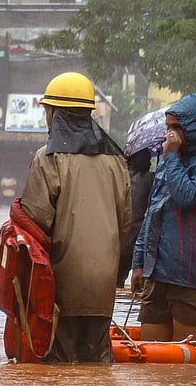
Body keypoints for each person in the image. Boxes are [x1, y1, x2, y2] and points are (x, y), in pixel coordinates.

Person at [21, 72, 131, 363]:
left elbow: (35, 222)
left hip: (60, 282)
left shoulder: (47, 158)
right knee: (96, 363)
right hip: (104, 283)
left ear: (56, 114)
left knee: (58, 365)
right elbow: (125, 223)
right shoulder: (117, 161)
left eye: (48, 111)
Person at [130, 93, 196, 347]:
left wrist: (172, 156)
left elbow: (188, 196)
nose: (170, 134)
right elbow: (151, 214)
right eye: (168, 128)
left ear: (192, 128)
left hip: (191, 277)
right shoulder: (165, 164)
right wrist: (138, 262)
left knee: (185, 362)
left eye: (176, 127)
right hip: (157, 273)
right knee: (151, 357)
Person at [119, 147, 154, 286]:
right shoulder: (149, 179)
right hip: (139, 239)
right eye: (148, 160)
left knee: (116, 283)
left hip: (118, 238)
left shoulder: (118, 178)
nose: (150, 164)